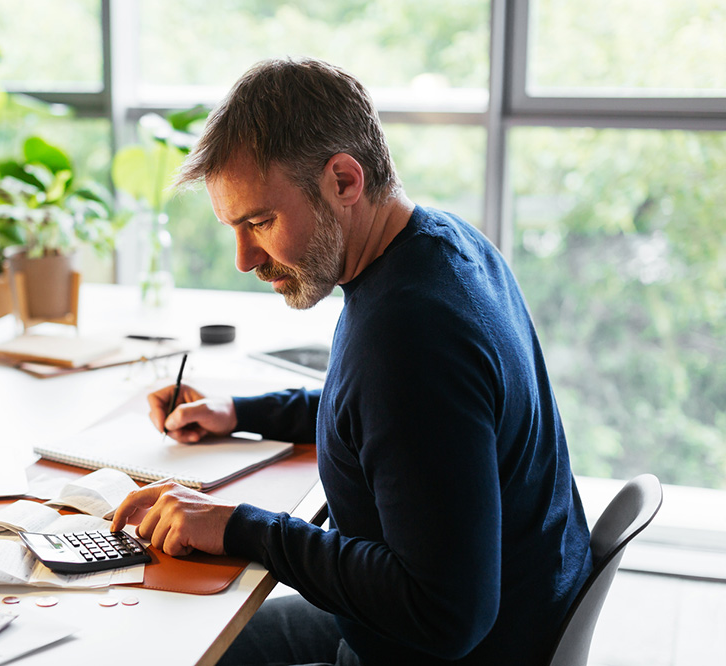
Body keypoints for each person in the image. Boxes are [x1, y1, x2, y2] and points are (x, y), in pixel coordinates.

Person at [110, 57, 593, 665]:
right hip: (497, 621)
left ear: (344, 180)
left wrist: (240, 528)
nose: (243, 258)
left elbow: (446, 614)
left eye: (260, 221)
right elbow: (395, 423)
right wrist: (239, 412)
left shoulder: (408, 335)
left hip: (435, 647)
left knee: (165, 647)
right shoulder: (444, 247)